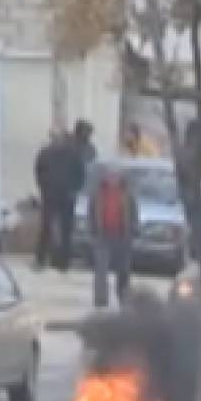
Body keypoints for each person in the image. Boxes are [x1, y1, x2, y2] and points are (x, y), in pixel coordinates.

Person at [34, 123, 93, 271]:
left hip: (65, 196)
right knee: (48, 227)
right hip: (52, 195)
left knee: (64, 229)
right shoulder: (46, 153)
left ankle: (62, 262)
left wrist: (74, 190)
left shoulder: (72, 154)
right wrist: (44, 188)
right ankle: (43, 259)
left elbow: (81, 175)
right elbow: (39, 171)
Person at [88, 165, 139, 308]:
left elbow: (134, 214)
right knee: (101, 269)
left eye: (115, 176)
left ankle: (124, 298)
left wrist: (133, 230)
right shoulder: (97, 194)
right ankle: (100, 300)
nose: (112, 179)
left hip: (122, 236)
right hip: (102, 235)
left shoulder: (127, 195)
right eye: (110, 176)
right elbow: (91, 214)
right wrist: (93, 230)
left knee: (123, 270)